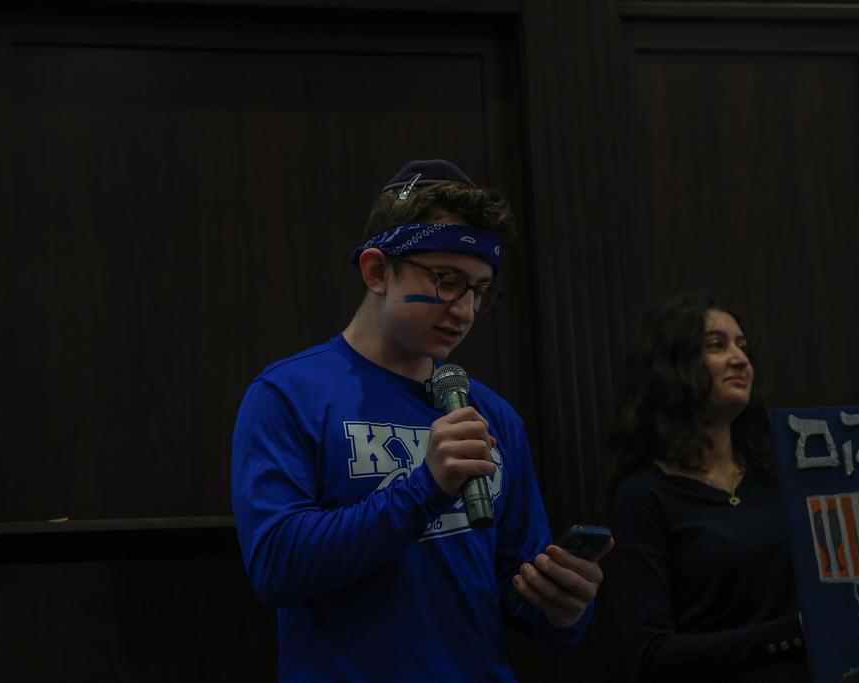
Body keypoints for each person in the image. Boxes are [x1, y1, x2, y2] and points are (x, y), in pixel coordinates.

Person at [231, 159, 611, 681]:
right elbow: (277, 566)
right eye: (447, 280)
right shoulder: (287, 395)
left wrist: (562, 610)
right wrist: (425, 489)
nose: (465, 310)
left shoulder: (494, 416)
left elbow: (515, 589)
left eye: (479, 290)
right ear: (376, 271)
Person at [605, 291, 809, 682]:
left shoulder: (778, 477)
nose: (740, 359)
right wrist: (791, 633)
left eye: (742, 346)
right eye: (717, 345)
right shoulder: (643, 496)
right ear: (671, 366)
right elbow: (651, 652)